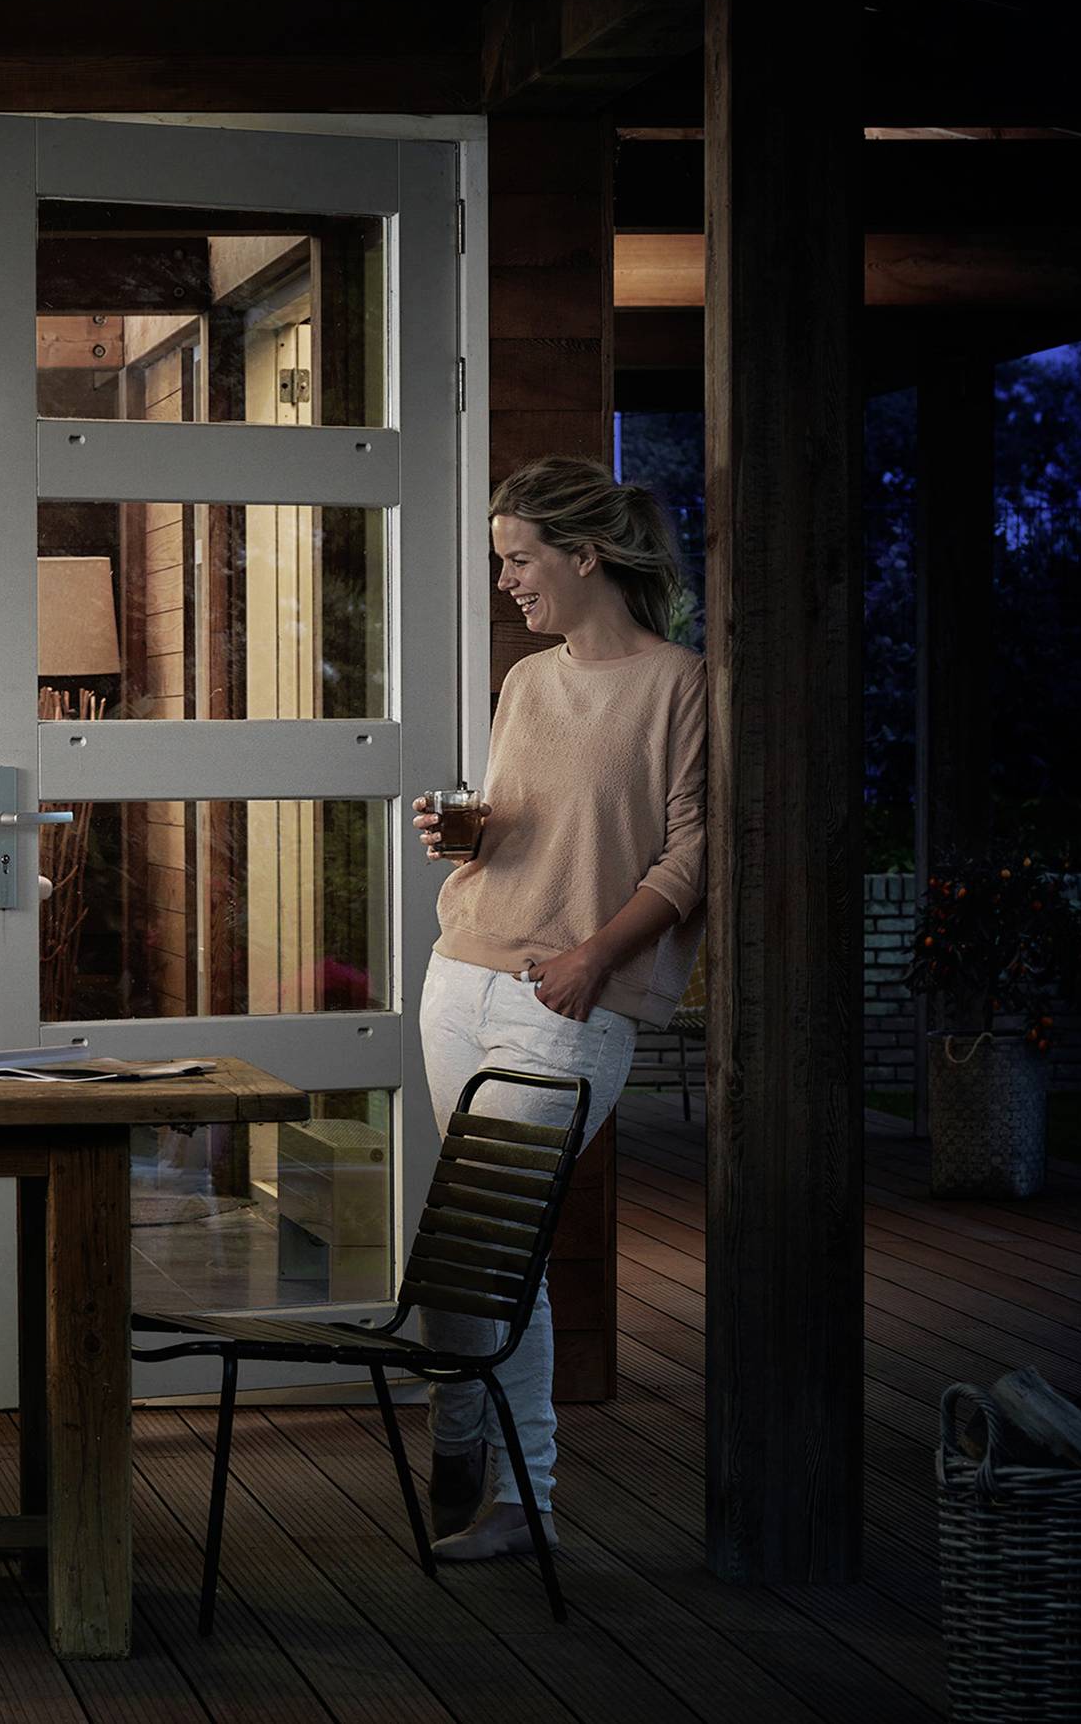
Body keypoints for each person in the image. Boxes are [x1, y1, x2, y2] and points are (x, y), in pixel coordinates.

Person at [409, 456, 706, 1562]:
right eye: (502, 562)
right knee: (463, 1246)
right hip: (463, 973)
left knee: (498, 1247)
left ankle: (519, 1499)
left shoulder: (682, 684)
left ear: (586, 557)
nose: (508, 583)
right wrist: (467, 834)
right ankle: (458, 1431)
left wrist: (594, 956)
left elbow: (691, 850)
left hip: (564, 999)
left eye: (520, 560)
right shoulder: (528, 682)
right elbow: (530, 820)